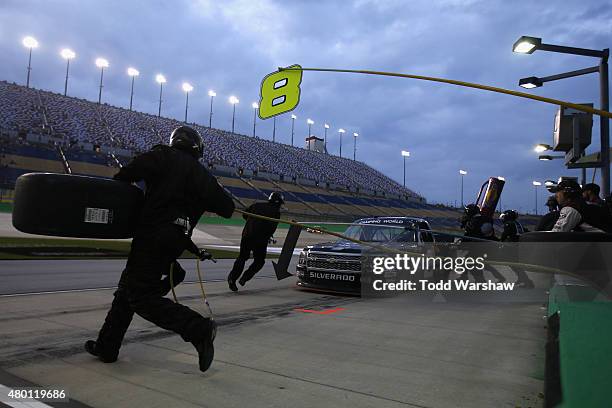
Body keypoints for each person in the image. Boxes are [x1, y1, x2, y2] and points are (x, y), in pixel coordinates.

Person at [85, 126, 235, 372]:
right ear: (198, 148)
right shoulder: (204, 176)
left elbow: (128, 172)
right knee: (127, 291)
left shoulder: (163, 155)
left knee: (140, 297)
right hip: (175, 241)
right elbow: (228, 208)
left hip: (151, 235)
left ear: (175, 141)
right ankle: (106, 347)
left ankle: (198, 328)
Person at [227, 192, 284, 291]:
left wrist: (251, 224)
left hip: (247, 235)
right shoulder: (276, 212)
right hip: (261, 240)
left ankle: (232, 278)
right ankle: (245, 278)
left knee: (242, 257)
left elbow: (245, 215)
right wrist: (267, 235)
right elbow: (272, 228)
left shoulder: (256, 205)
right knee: (259, 261)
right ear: (278, 202)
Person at [499, 210, 534, 288]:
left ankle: (527, 281)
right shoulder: (517, 223)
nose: (503, 219)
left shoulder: (509, 224)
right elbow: (526, 231)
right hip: (519, 246)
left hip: (512, 247)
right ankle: (522, 279)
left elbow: (505, 234)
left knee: (514, 264)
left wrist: (501, 242)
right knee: (516, 265)